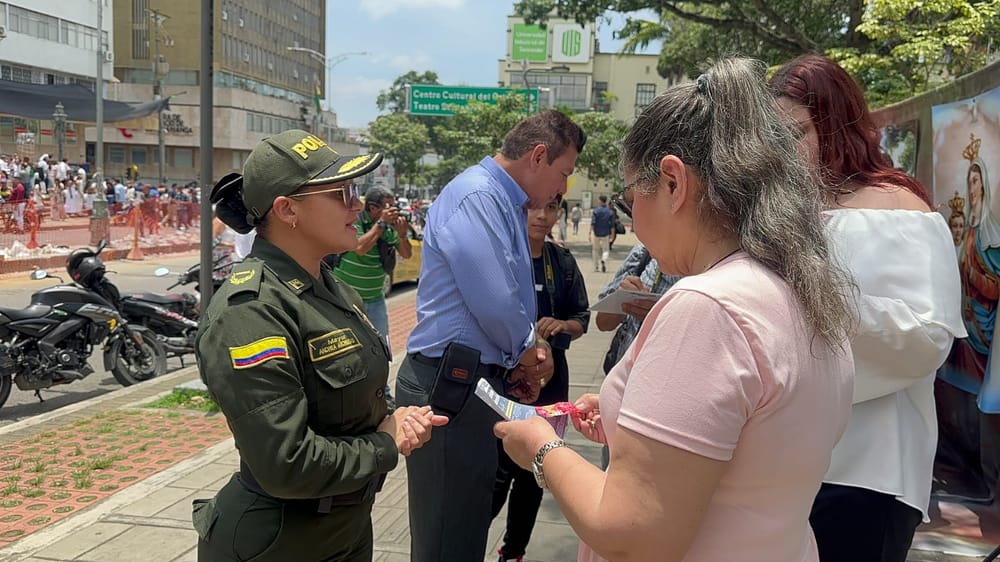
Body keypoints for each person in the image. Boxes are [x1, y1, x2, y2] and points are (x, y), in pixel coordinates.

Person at [496, 57, 856, 562]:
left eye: (629, 198)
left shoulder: (708, 307)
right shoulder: (801, 287)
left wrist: (541, 447)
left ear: (672, 182)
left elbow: (631, 532)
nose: (634, 219)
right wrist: (631, 414)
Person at [192, 130, 448, 562]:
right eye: (341, 193)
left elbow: (355, 391)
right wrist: (387, 443)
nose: (356, 205)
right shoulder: (250, 313)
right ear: (287, 209)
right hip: (281, 541)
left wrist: (393, 417)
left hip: (343, 528)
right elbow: (285, 462)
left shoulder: (332, 288)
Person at [770, 53, 965, 562]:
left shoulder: (900, 209)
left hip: (866, 469)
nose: (782, 154)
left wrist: (813, 296)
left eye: (794, 135)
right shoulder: (785, 209)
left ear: (836, 126)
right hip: (780, 462)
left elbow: (925, 337)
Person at [395, 109, 586, 562]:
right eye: (564, 174)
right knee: (449, 535)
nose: (561, 189)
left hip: (471, 379)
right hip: (450, 384)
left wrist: (518, 357)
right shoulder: (477, 196)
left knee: (465, 522)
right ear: (538, 156)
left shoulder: (501, 201)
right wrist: (528, 350)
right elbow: (495, 299)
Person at [491, 195, 590, 562]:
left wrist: (562, 326)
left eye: (551, 208)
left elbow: (582, 318)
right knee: (497, 470)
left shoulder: (561, 261)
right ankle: (467, 541)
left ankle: (513, 552)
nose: (541, 215)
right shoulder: (500, 260)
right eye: (534, 207)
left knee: (536, 471)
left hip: (551, 382)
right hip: (506, 383)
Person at [333, 185, 413, 351]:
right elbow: (360, 248)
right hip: (347, 298)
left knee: (381, 347)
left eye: (394, 206)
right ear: (373, 208)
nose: (393, 211)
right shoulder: (356, 221)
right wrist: (381, 223)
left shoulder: (387, 228)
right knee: (350, 348)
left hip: (376, 299)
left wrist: (402, 234)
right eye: (388, 206)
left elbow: (406, 254)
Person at [589, 194, 613, 272]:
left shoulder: (596, 211)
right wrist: (612, 235)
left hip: (596, 232)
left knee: (595, 250)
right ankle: (604, 259)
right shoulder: (609, 212)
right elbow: (612, 225)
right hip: (606, 233)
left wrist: (590, 233)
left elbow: (593, 222)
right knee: (605, 249)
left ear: (600, 201)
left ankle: (596, 266)